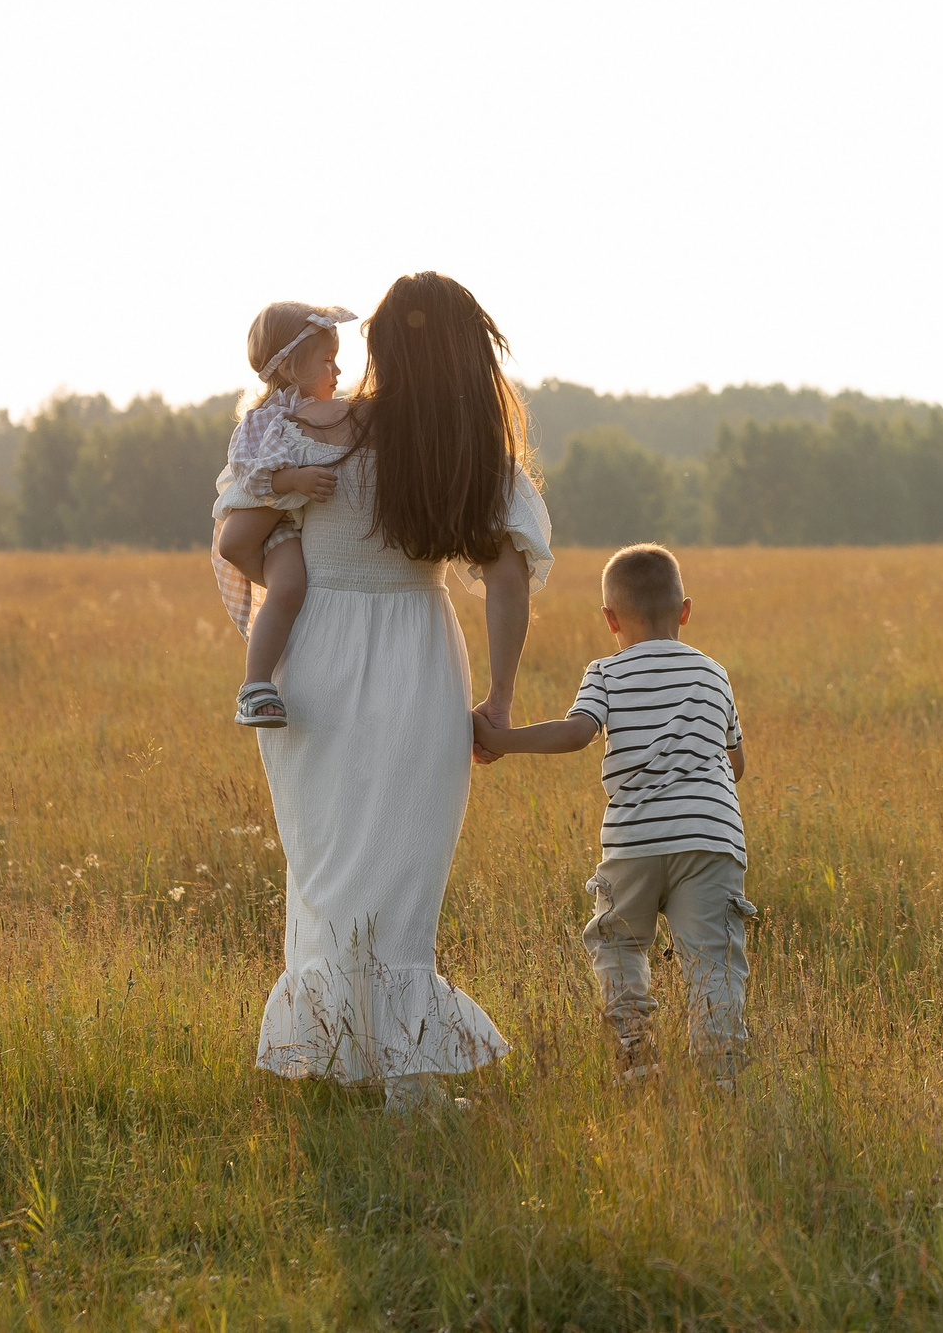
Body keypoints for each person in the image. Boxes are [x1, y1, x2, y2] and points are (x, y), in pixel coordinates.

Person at [251, 272, 552, 1114]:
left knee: (331, 861)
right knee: (403, 868)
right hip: (416, 652)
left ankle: (346, 1056)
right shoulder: (463, 449)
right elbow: (504, 580)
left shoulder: (312, 425)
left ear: (379, 346)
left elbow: (242, 532)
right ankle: (403, 1083)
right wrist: (497, 698)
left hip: (311, 654)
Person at [472, 543, 755, 1085]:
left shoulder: (605, 671)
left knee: (619, 942)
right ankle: (720, 1071)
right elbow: (735, 764)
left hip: (634, 842)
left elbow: (577, 734)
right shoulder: (713, 673)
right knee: (714, 958)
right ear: (686, 611)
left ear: (609, 619)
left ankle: (635, 1051)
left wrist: (504, 739)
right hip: (711, 838)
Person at [211, 302, 356, 727]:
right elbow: (249, 477)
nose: (339, 372)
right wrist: (293, 480)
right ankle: (255, 686)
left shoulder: (315, 413)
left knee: (295, 592)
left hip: (288, 521)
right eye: (327, 361)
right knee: (289, 588)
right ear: (292, 367)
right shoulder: (265, 417)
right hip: (271, 520)